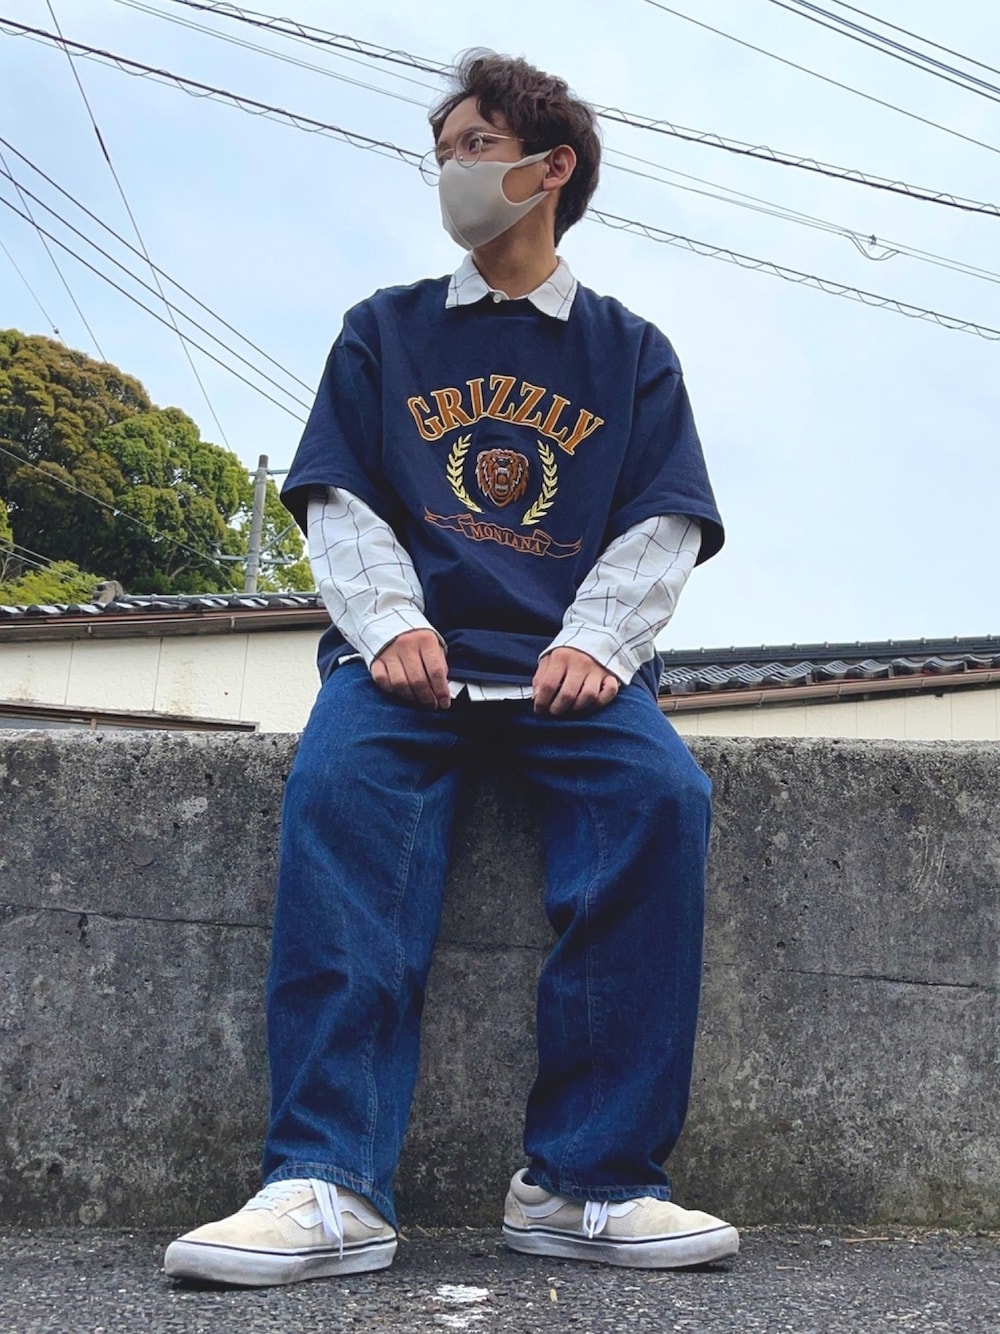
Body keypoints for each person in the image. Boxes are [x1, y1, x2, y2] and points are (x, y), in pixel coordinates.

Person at [165, 49, 736, 1287]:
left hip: (570, 671)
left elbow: (664, 520)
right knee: (337, 793)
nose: (452, 171)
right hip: (402, 668)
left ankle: (587, 1179)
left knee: (662, 797)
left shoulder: (629, 352)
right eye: (444, 152)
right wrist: (389, 624)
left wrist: (593, 643)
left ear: (551, 168)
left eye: (476, 146)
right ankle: (327, 1178)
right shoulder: (385, 330)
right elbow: (336, 494)